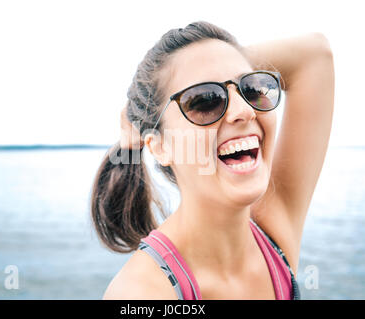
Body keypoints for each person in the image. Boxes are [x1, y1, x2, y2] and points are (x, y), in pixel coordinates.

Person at [91, 21, 334, 299]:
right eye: (205, 99)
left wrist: (221, 60)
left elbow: (315, 55)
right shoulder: (142, 294)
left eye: (252, 87)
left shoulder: (272, 236)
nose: (244, 111)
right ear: (159, 146)